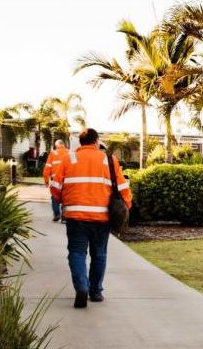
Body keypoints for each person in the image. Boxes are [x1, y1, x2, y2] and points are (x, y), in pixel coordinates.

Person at [50, 128, 132, 308]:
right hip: (102, 218)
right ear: (96, 141)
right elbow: (123, 189)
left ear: (80, 143)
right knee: (99, 254)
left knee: (77, 253)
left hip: (75, 216)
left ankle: (81, 287)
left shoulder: (68, 159)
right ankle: (95, 292)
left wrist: (65, 201)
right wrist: (125, 208)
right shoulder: (109, 160)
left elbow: (55, 187)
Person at [43, 140, 70, 222]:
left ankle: (57, 214)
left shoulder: (53, 153)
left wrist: (46, 180)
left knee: (54, 197)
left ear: (56, 145)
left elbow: (47, 167)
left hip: (56, 180)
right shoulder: (70, 153)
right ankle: (64, 217)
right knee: (66, 197)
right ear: (63, 145)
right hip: (67, 180)